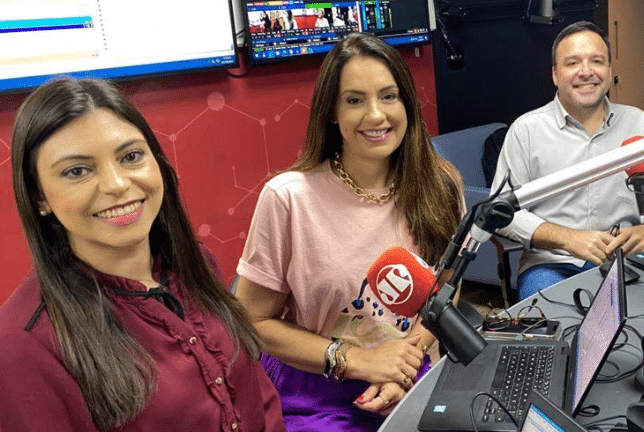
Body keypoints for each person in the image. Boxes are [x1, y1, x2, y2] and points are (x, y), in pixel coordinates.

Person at [0, 79, 286, 432]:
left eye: (131, 156)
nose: (117, 184)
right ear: (39, 197)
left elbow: (257, 394)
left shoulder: (195, 264)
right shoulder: (22, 345)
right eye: (77, 171)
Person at [235, 32, 464, 431]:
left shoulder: (440, 184)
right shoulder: (288, 198)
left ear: (407, 103)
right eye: (355, 100)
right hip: (315, 391)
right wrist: (357, 360)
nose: (376, 115)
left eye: (389, 96)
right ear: (332, 112)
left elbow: (446, 288)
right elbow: (252, 320)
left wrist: (405, 361)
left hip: (406, 375)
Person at [490, 21, 644, 300]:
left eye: (597, 61)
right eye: (572, 63)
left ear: (609, 71)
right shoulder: (527, 130)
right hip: (553, 264)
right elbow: (502, 213)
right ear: (555, 75)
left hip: (628, 261)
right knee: (554, 333)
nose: (587, 72)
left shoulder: (637, 122)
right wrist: (568, 238)